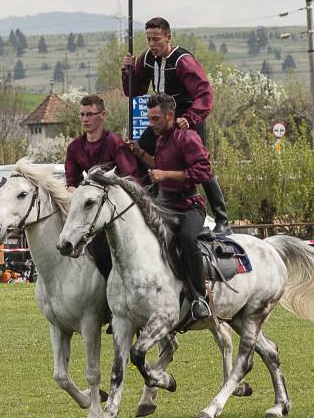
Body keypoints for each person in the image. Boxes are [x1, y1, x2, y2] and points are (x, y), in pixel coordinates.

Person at [122, 16, 230, 234]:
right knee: (137, 155)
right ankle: (152, 207)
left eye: (156, 39)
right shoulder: (146, 59)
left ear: (168, 37)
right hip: (162, 119)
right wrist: (128, 73)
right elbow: (135, 91)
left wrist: (190, 118)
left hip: (185, 117)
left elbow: (204, 93)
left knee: (200, 166)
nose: (152, 44)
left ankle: (222, 219)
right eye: (149, 39)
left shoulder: (183, 61)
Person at [128, 93, 213, 322]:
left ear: (169, 115)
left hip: (189, 206)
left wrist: (165, 175)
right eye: (149, 118)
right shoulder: (161, 139)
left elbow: (204, 172)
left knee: (186, 239)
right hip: (165, 204)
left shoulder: (188, 138)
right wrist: (139, 153)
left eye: (155, 119)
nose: (150, 124)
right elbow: (159, 165)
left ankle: (199, 298)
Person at [65, 94, 139, 279]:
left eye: (90, 114)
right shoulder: (74, 147)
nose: (85, 119)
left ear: (102, 114)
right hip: (88, 211)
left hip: (115, 212)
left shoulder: (114, 143)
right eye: (82, 115)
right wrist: (72, 190)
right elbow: (71, 181)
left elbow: (131, 178)